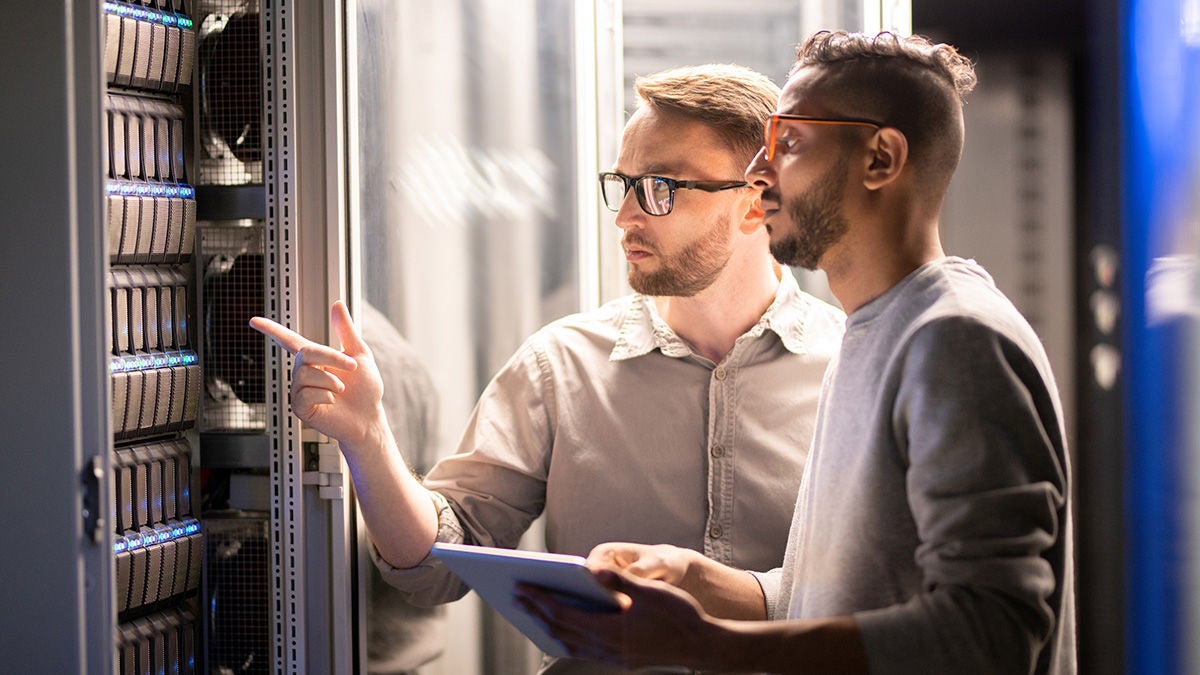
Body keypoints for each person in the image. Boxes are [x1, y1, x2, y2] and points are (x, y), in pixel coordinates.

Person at [249, 63, 845, 674]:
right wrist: (367, 436)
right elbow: (430, 567)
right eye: (624, 184)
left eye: (661, 187)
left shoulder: (852, 371)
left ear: (756, 202)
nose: (625, 217)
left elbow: (895, 595)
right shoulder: (559, 364)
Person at [517, 30, 1077, 675]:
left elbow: (992, 631)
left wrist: (704, 646)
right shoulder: (875, 333)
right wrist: (705, 582)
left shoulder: (954, 340)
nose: (758, 174)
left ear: (880, 160)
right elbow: (853, 593)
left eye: (789, 145)